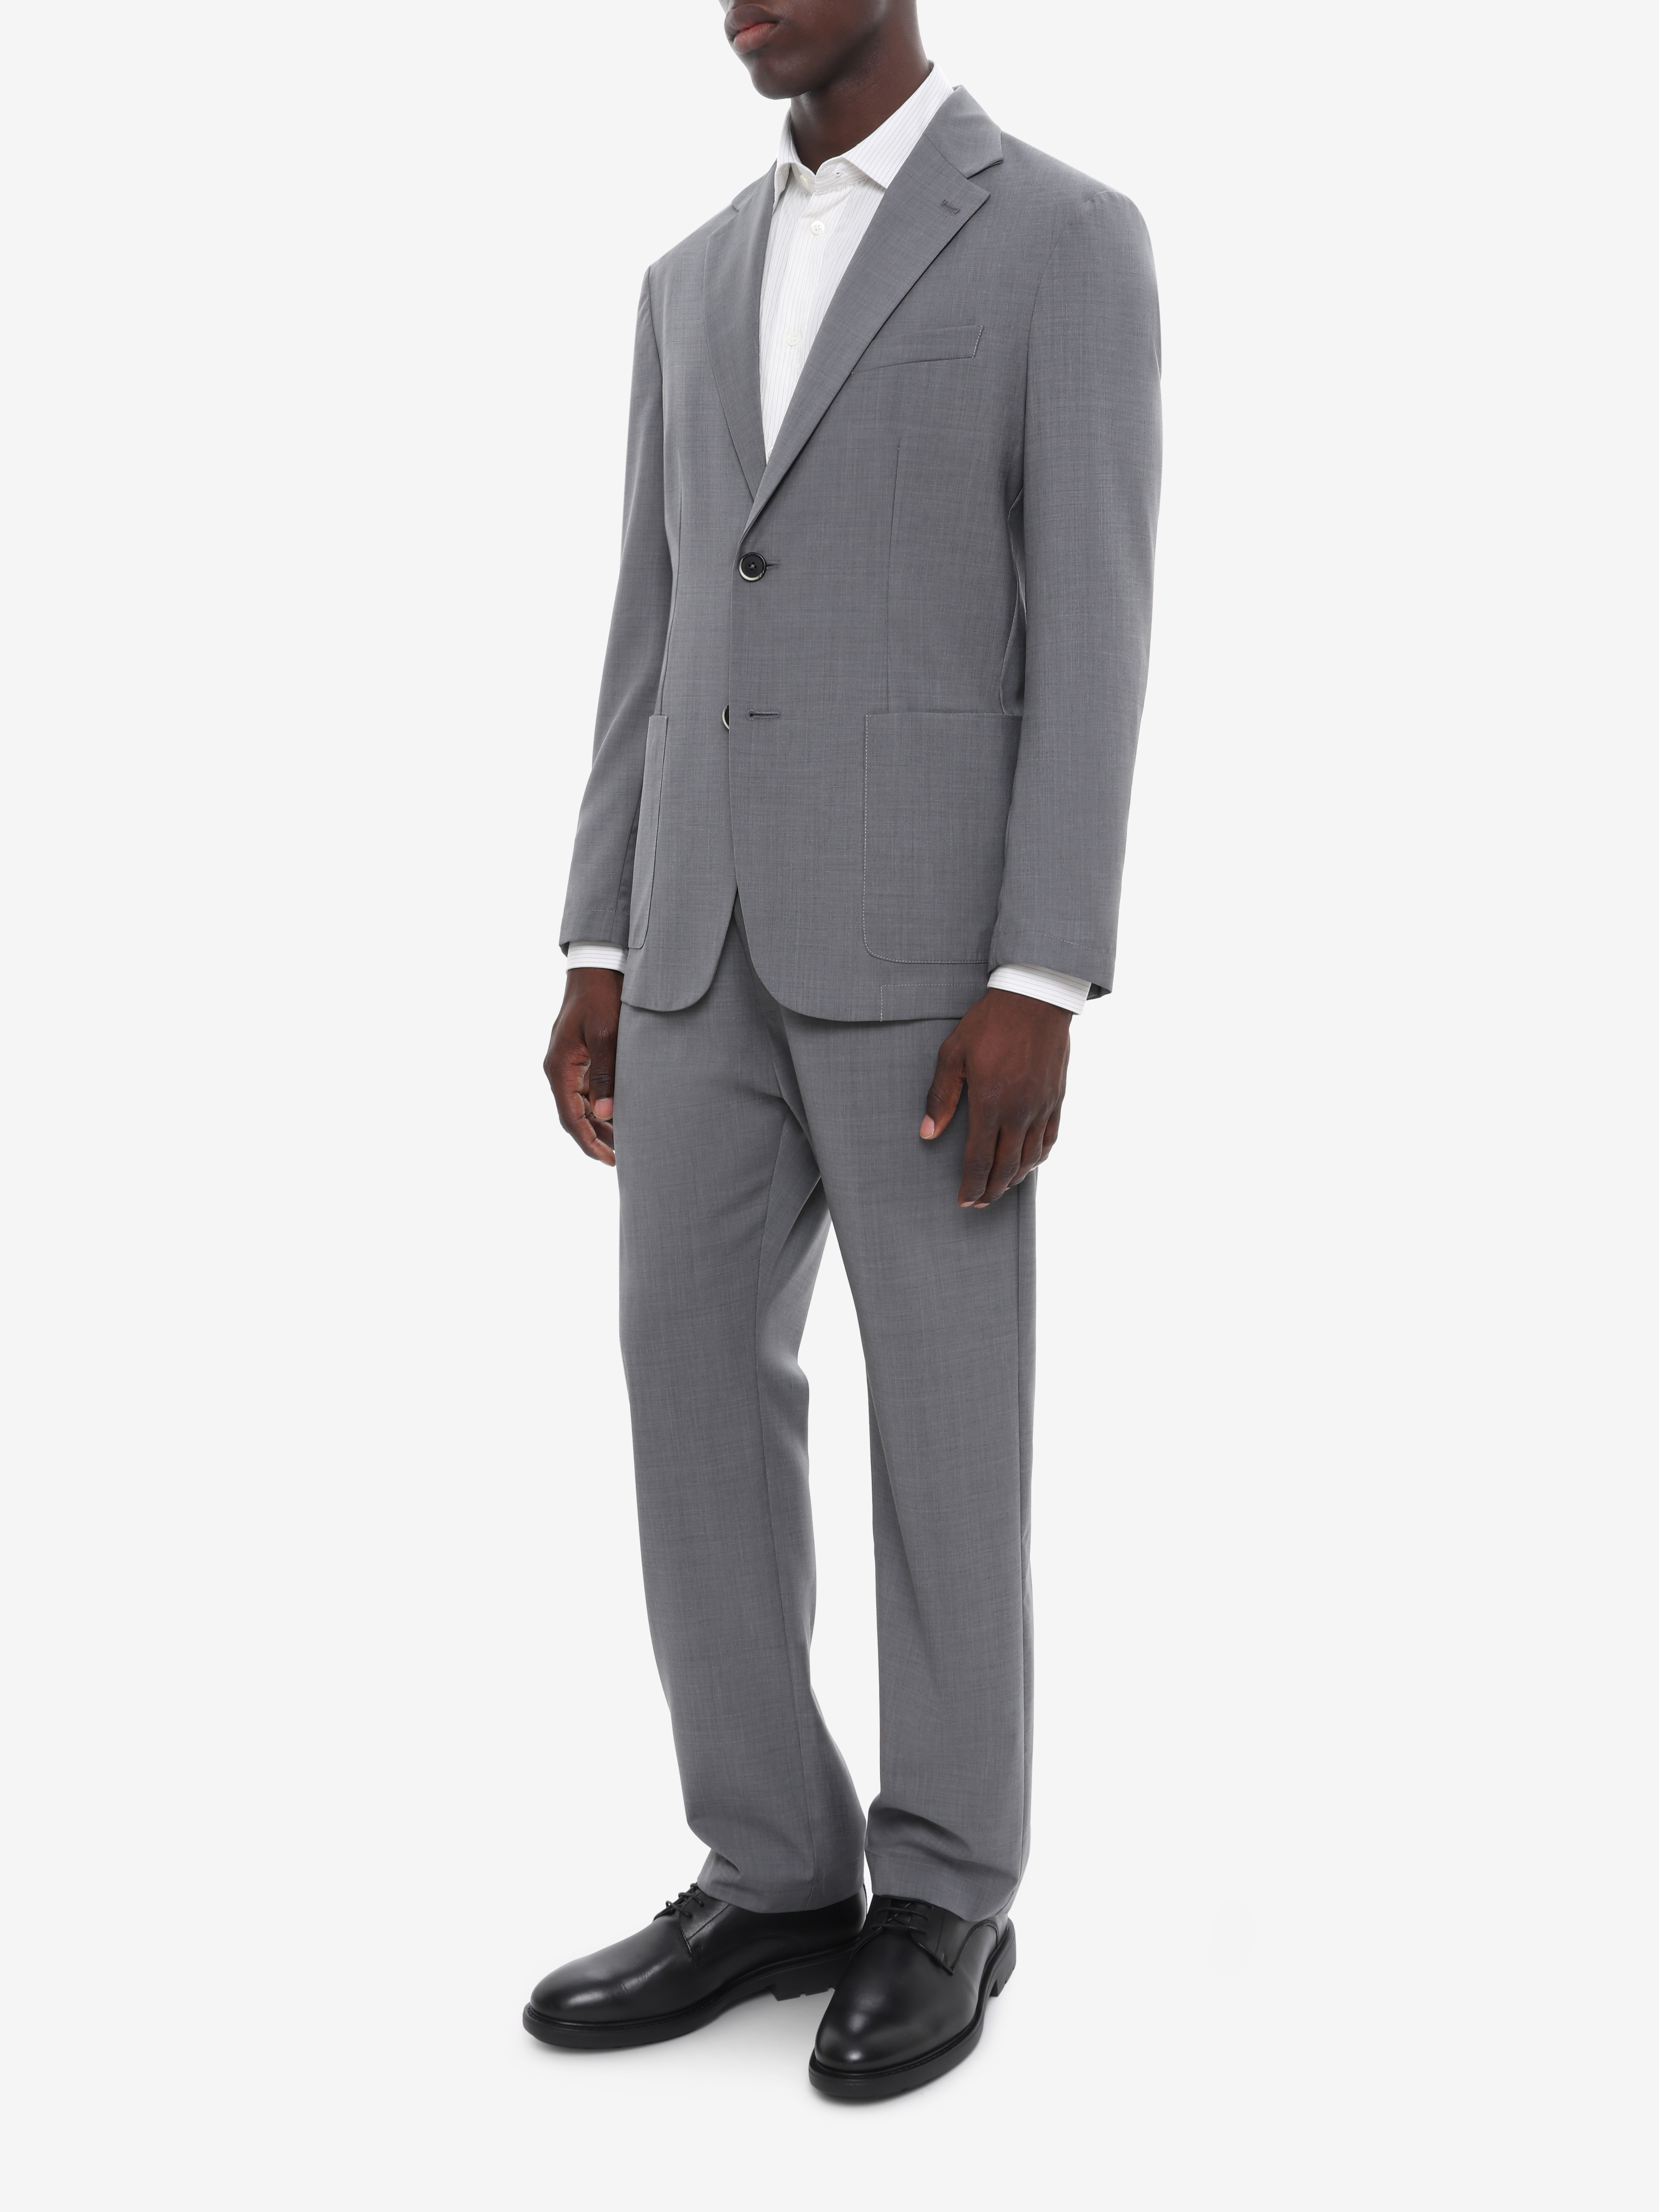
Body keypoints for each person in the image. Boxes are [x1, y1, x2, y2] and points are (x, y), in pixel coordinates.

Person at [526, 0, 1160, 2099]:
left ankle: (951, 1886)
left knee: (947, 1430)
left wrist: (1042, 971)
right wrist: (598, 935)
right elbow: (651, 624)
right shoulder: (684, 275)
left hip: (931, 965)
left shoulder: (1061, 238)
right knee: (687, 1394)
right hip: (693, 943)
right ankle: (775, 1871)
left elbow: (1094, 623)